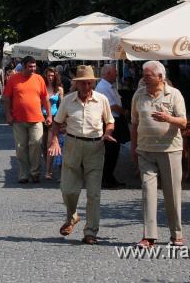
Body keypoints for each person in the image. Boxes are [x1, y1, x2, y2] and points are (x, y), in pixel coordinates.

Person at [48, 65, 115, 245]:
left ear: (93, 83)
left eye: (89, 83)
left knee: (94, 193)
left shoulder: (102, 100)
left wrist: (108, 133)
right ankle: (72, 216)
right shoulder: (68, 101)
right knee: (68, 189)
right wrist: (54, 141)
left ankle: (91, 232)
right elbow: (56, 123)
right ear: (76, 84)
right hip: (73, 144)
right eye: (83, 83)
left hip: (95, 146)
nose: (86, 87)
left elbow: (110, 121)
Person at [130, 60, 187, 248]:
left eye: (148, 75)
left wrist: (168, 118)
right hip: (146, 150)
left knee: (172, 193)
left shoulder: (174, 94)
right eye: (143, 75)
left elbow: (184, 122)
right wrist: (133, 147)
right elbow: (135, 123)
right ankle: (149, 236)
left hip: (170, 150)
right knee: (148, 192)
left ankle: (176, 234)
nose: (144, 78)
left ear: (160, 77)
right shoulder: (138, 95)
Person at [4, 57, 51, 183]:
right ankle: (24, 174)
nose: (33, 69)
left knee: (36, 144)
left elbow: (45, 98)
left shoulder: (39, 79)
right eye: (30, 66)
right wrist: (8, 115)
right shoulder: (13, 79)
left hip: (36, 119)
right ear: (24, 66)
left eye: (34, 66)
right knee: (21, 147)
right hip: (18, 120)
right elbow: (7, 98)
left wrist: (49, 115)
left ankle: (34, 172)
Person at [95, 64, 126, 189]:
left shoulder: (109, 86)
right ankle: (106, 178)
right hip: (109, 121)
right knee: (110, 151)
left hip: (114, 119)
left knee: (114, 150)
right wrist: (124, 112)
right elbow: (112, 106)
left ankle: (109, 177)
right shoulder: (103, 87)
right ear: (107, 74)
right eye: (115, 73)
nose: (117, 75)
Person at [43, 69, 65, 181]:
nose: (50, 77)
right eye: (48, 75)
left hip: (55, 118)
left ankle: (48, 171)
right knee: (41, 145)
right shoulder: (42, 87)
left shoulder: (59, 89)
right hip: (41, 117)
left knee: (50, 144)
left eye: (52, 75)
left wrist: (61, 121)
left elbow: (62, 106)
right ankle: (48, 167)